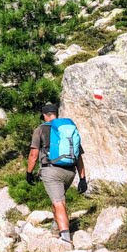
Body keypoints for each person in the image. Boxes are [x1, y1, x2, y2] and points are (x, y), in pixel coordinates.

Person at [27, 103, 88, 244]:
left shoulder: (40, 129)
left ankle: (66, 239)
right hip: (70, 172)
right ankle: (55, 231)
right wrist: (82, 178)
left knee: (59, 203)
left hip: (51, 171)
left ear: (45, 115)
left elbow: (33, 154)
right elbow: (78, 156)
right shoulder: (67, 129)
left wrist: (29, 172)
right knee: (58, 201)